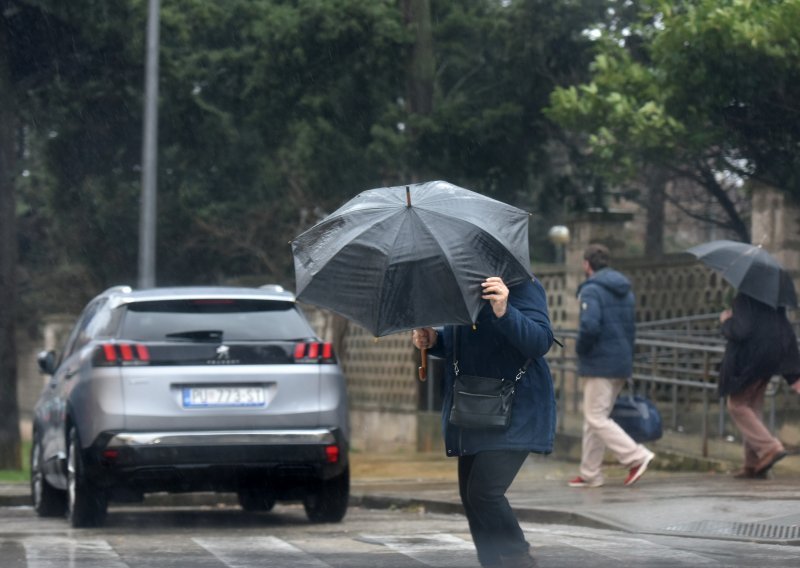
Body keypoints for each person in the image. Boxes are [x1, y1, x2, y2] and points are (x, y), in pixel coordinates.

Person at [412, 275, 556, 568]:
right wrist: (436, 340)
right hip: (473, 408)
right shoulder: (462, 287)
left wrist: (505, 309)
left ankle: (518, 559)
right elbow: (466, 340)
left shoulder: (522, 285)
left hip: (516, 408)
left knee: (484, 493)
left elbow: (540, 341)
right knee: (471, 497)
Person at [568, 243, 655, 488]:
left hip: (599, 363)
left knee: (595, 417)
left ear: (587, 265)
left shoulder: (591, 290)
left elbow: (590, 326)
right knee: (596, 417)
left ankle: (636, 457)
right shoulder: (624, 290)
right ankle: (590, 472)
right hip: (621, 361)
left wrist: (581, 350)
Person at [718, 291, 800, 478]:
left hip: (752, 361)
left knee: (736, 405)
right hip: (770, 359)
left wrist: (727, 321)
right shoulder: (773, 300)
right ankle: (753, 464)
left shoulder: (744, 298)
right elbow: (783, 330)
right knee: (752, 408)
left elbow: (741, 331)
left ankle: (770, 448)